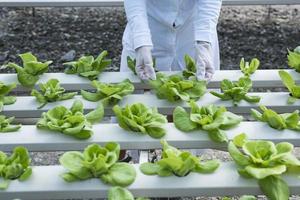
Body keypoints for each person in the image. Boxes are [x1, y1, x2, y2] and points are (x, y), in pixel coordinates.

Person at [120, 0, 222, 81]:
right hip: (147, 22)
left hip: (193, 28)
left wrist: (204, 42)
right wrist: (141, 40)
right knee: (137, 98)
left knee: (202, 99)